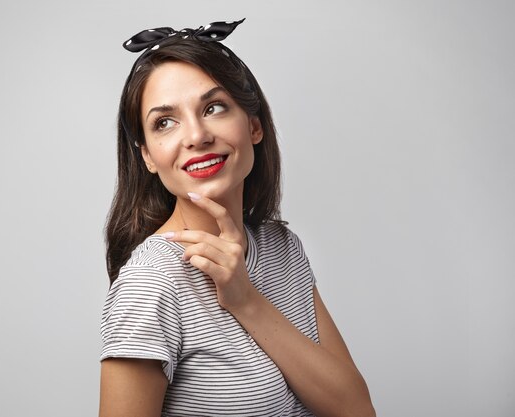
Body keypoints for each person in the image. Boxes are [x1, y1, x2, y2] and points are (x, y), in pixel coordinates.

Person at [99, 19, 376, 417]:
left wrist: (247, 300)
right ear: (147, 156)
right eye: (165, 122)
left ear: (254, 125)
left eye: (213, 107)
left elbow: (357, 410)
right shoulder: (151, 283)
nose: (196, 136)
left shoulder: (282, 248)